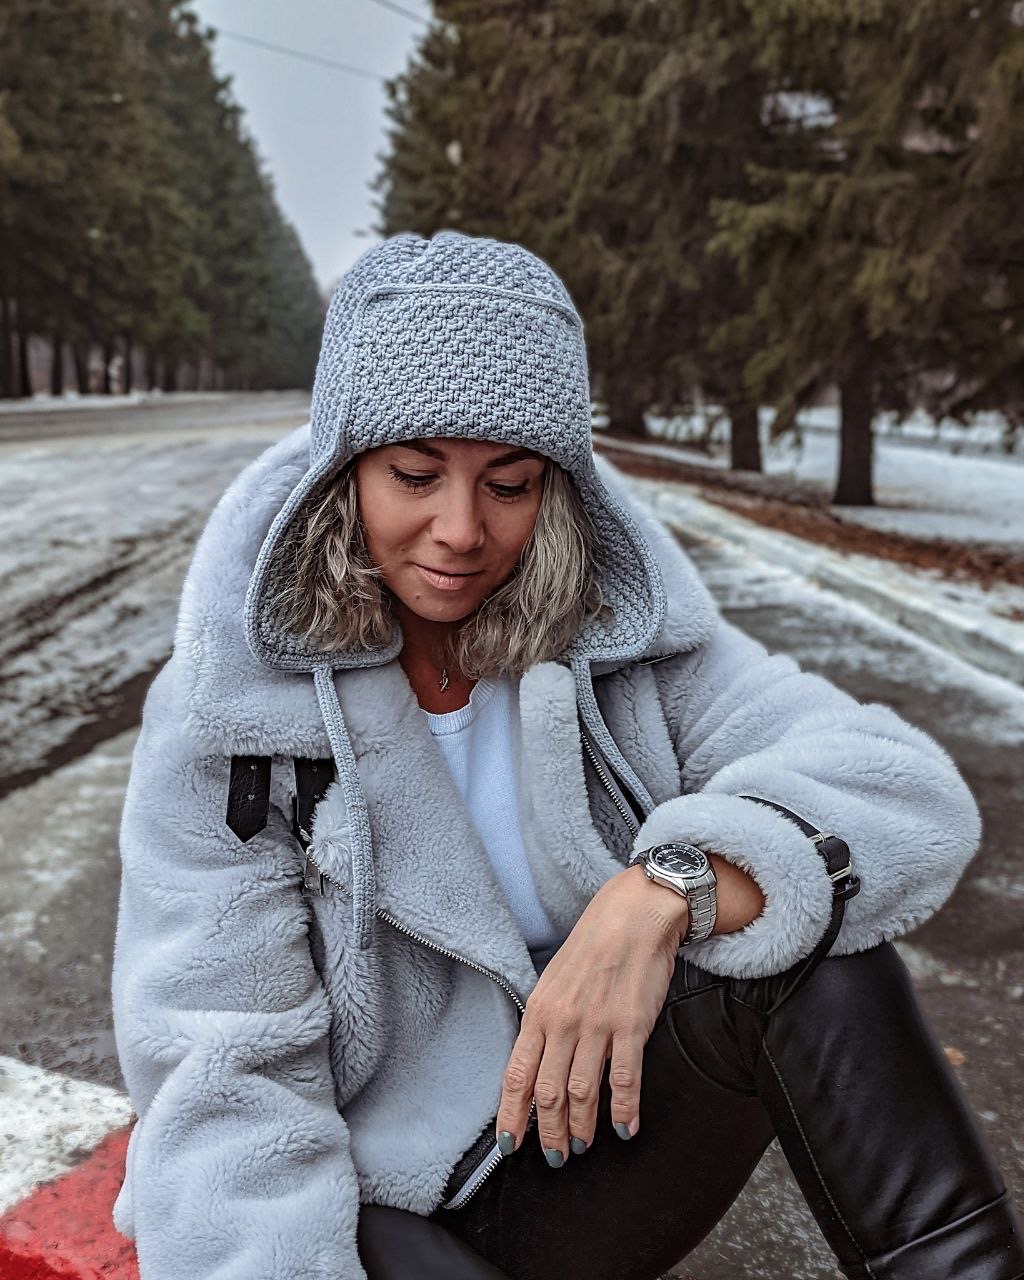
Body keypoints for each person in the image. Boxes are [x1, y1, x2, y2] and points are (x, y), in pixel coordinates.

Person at [109, 229, 1024, 1280]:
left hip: (582, 1149)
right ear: (342, 471)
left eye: (508, 483)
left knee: (811, 924)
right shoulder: (236, 712)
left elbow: (903, 788)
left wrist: (667, 889)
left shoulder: (616, 639)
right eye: (415, 475)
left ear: (554, 484)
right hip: (376, 1206)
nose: (461, 529)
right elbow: (223, 1077)